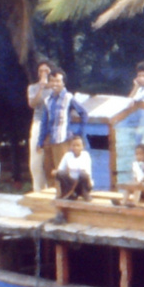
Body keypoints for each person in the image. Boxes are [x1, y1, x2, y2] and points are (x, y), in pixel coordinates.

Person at [38, 71, 89, 191]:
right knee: (48, 169)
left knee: (61, 170)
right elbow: (44, 122)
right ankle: (52, 193)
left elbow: (84, 113)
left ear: (63, 83)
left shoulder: (68, 98)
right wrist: (40, 141)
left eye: (58, 81)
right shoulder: (48, 100)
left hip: (62, 139)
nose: (55, 84)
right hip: (49, 140)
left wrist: (78, 133)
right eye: (52, 81)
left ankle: (65, 194)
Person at [25, 61, 53, 191]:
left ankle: (53, 189)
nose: (43, 73)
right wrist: (41, 87)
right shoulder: (33, 87)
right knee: (36, 159)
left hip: (53, 125)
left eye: (46, 70)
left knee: (52, 160)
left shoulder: (56, 87)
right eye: (41, 71)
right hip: (38, 122)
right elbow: (32, 104)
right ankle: (38, 190)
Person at [55, 135, 95, 201]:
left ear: (82, 147)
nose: (75, 147)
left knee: (83, 175)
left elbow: (84, 172)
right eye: (73, 145)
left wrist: (70, 169)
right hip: (71, 183)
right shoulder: (67, 155)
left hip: (83, 184)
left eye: (78, 145)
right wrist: (56, 172)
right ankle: (68, 193)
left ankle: (85, 194)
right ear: (70, 146)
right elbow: (60, 170)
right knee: (60, 174)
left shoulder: (85, 155)